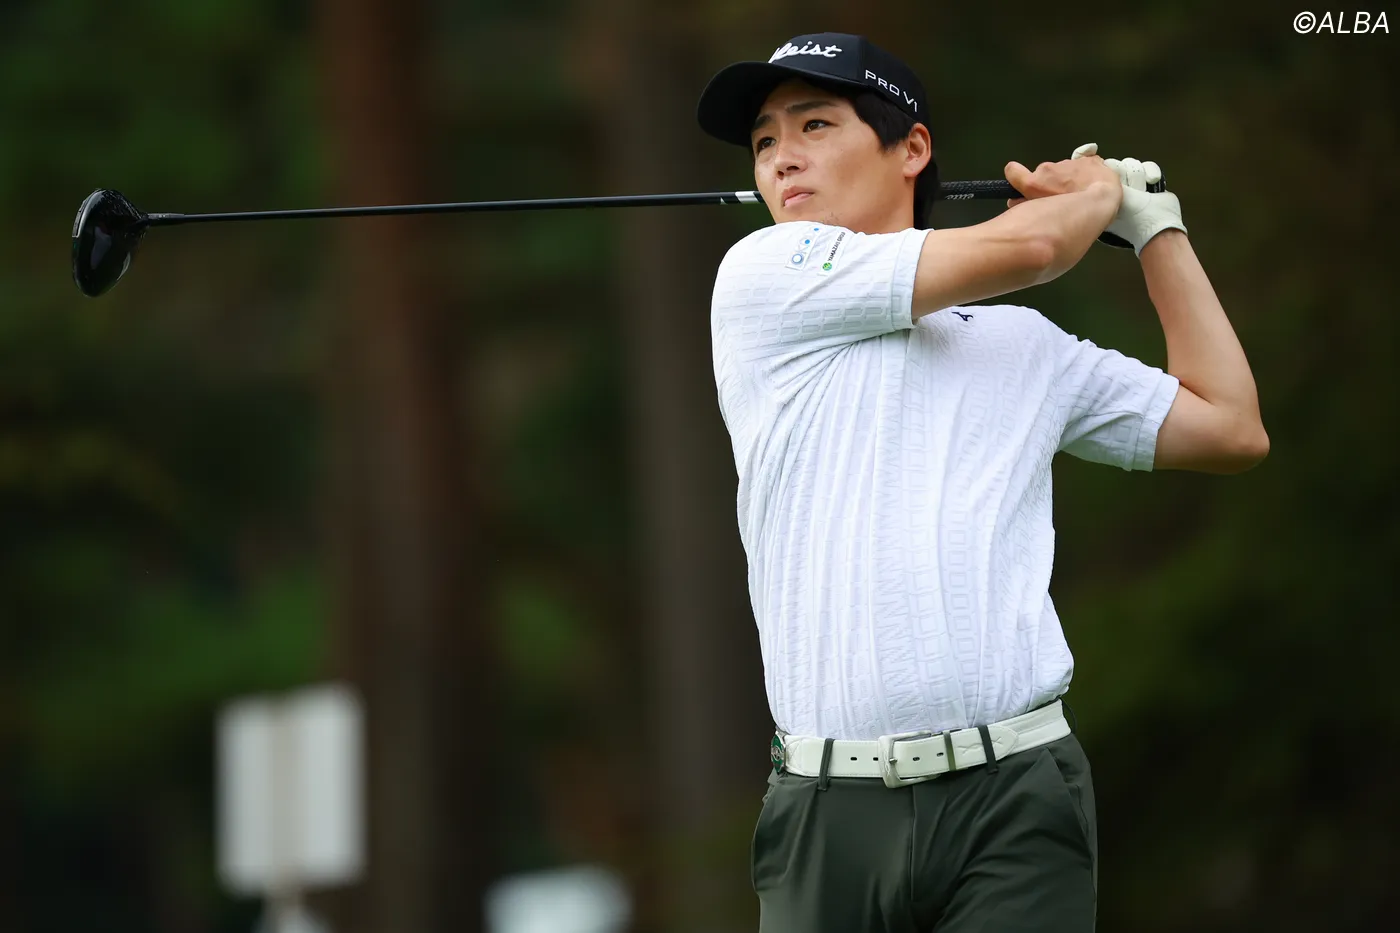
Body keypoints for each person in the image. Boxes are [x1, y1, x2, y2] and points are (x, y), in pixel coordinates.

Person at [695, 32, 1268, 933]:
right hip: (826, 813)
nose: (782, 157)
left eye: (815, 125)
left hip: (1016, 804)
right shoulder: (762, 278)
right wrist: (1096, 194)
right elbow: (1036, 242)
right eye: (764, 141)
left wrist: (1155, 229)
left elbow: (1230, 426)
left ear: (911, 149)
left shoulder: (1022, 345)